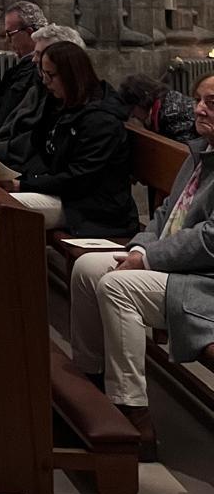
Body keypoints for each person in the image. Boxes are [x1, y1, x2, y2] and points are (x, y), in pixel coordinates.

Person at [69, 74, 214, 459]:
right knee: (88, 268)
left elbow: (209, 240)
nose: (199, 108)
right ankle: (91, 381)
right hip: (178, 266)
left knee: (118, 288)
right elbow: (166, 214)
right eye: (199, 99)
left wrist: (145, 259)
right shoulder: (200, 152)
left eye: (211, 103)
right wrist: (138, 248)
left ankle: (134, 414)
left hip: (203, 282)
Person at [11, 42, 138, 238]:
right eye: (42, 73)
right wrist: (49, 109)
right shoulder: (66, 106)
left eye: (50, 75)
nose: (45, 82)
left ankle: (22, 268)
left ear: (71, 75)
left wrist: (25, 185)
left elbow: (79, 177)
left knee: (10, 209)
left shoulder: (101, 120)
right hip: (71, 197)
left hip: (95, 208)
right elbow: (43, 148)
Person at [0, 22, 86, 171]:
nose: (34, 59)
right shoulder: (39, 89)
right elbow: (8, 125)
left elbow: (37, 145)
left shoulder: (65, 99)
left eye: (39, 54)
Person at [0, 1, 47, 144]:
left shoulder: (38, 76)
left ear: (30, 33)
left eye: (10, 34)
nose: (7, 40)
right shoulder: (16, 72)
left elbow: (10, 131)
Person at [117, 74, 199, 143]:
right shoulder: (164, 103)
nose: (132, 115)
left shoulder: (173, 113)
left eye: (132, 109)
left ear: (141, 100)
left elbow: (183, 153)